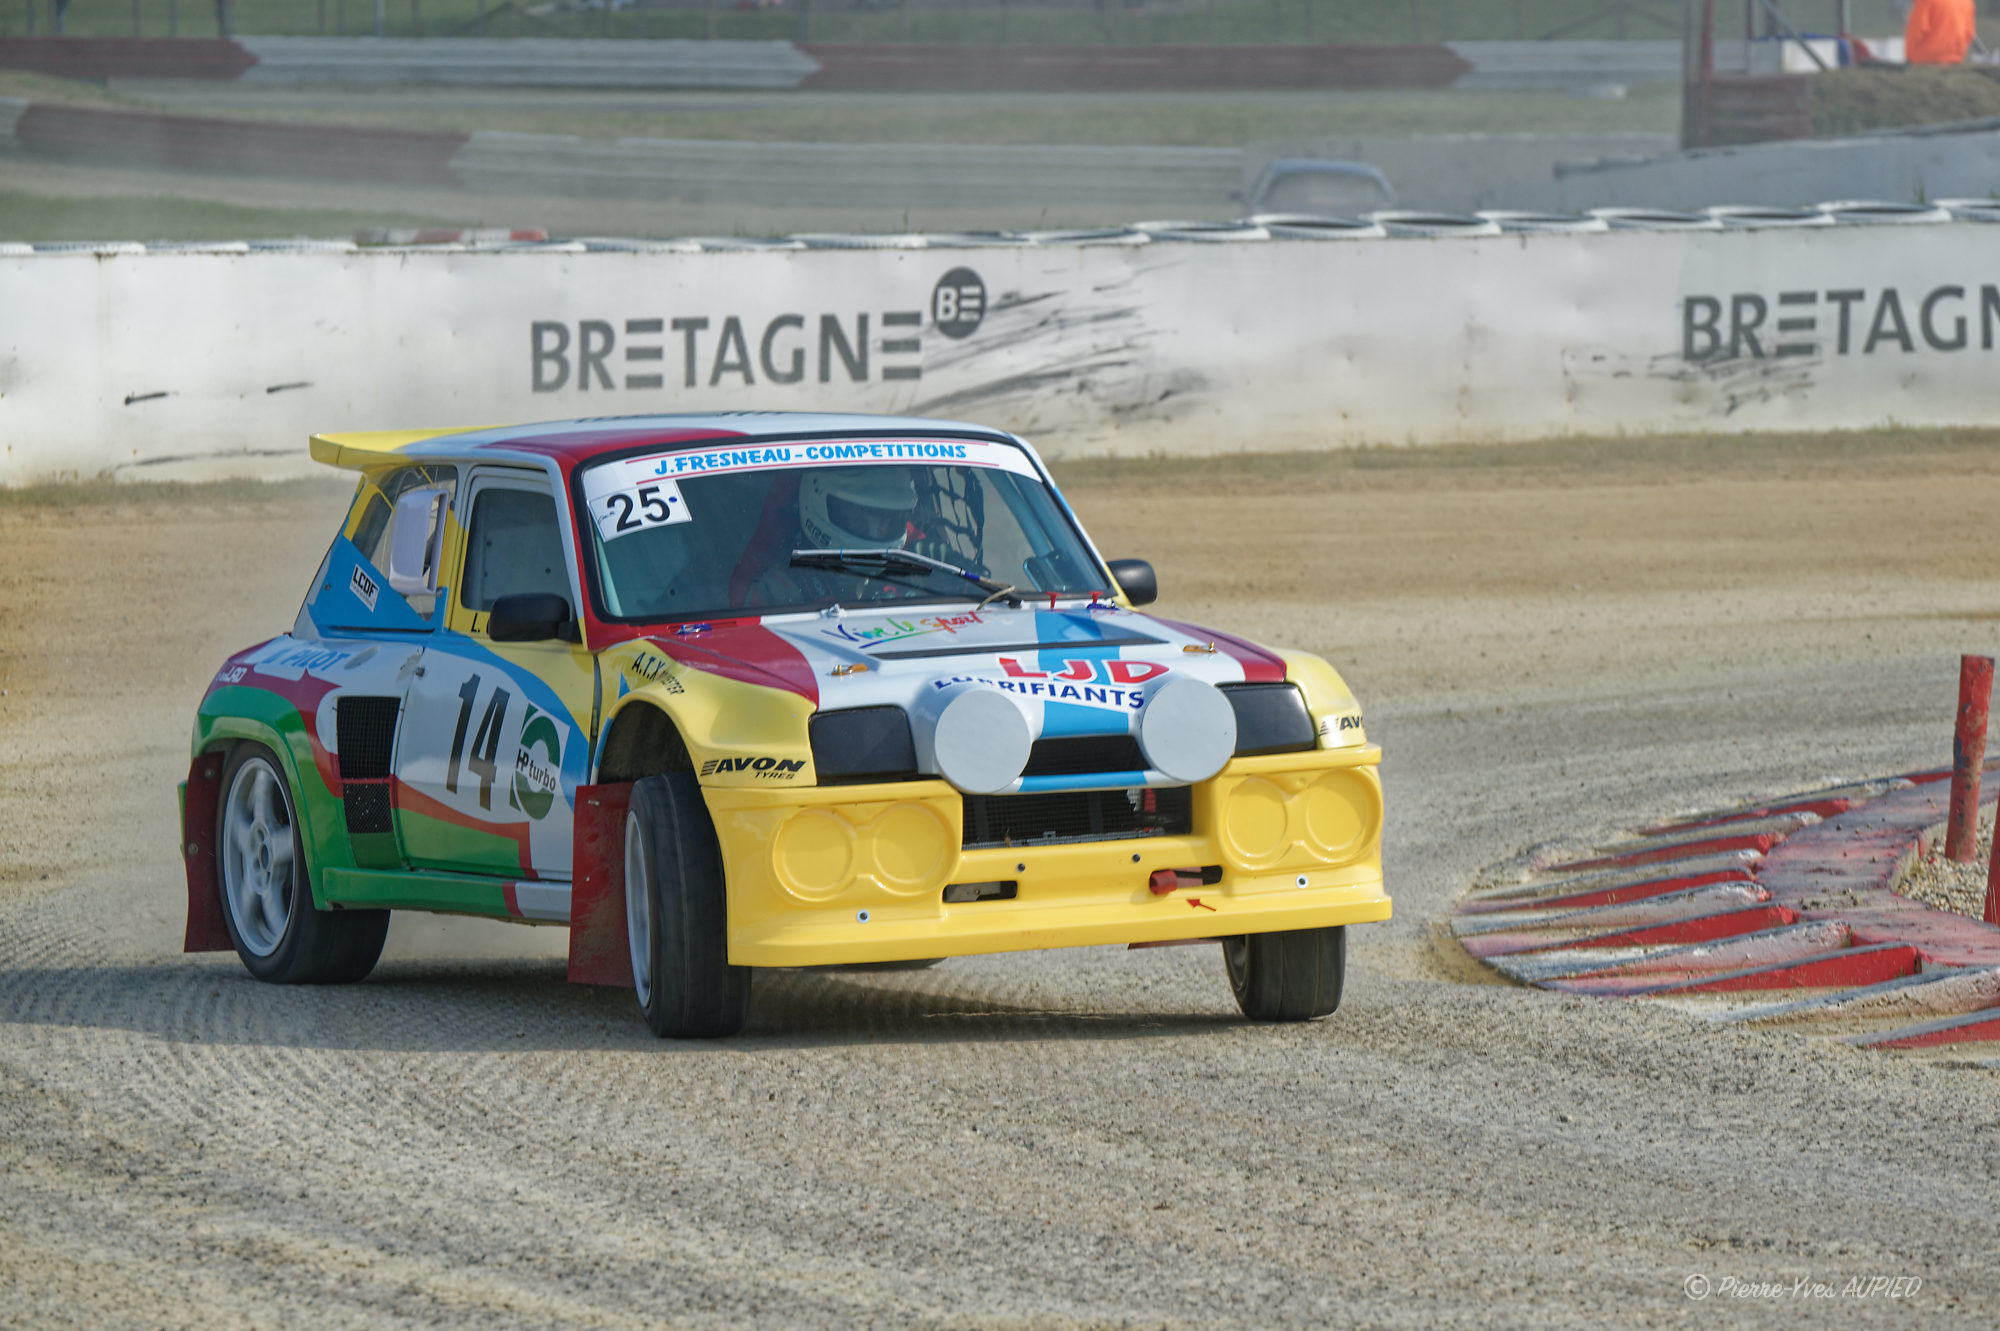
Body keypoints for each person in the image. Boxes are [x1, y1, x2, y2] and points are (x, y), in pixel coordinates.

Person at [1906, 0, 1977, 64]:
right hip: (1955, 58)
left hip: (1924, 58)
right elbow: (1969, 33)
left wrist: (1909, 56)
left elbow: (1917, 31)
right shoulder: (1967, 2)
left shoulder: (1925, 2)